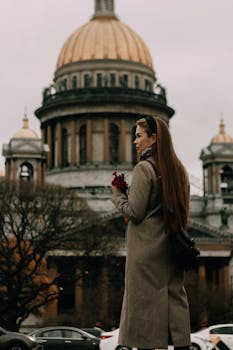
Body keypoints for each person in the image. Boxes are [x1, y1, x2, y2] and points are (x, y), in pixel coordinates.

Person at [111, 116, 191, 350]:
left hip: (145, 250)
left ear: (153, 138)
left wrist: (118, 193)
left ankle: (149, 345)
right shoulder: (179, 170)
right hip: (171, 246)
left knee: (144, 304)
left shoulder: (144, 168)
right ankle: (181, 344)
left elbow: (134, 212)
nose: (135, 141)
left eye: (138, 136)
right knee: (174, 296)